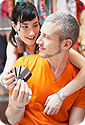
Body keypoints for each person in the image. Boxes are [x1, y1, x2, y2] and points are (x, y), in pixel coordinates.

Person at [0, 1, 85, 116]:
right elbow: (7, 71)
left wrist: (61, 95)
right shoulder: (14, 45)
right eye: (25, 26)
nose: (32, 33)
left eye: (35, 25)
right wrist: (5, 79)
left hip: (54, 94)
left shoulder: (49, 42)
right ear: (15, 26)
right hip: (29, 101)